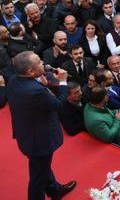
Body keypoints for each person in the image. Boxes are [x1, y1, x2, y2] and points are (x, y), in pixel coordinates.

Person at [6, 51, 77, 200]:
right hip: (39, 140)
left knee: (42, 168)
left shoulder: (14, 79)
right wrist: (63, 82)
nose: (43, 63)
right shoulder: (35, 91)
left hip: (26, 133)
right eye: (39, 62)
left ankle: (54, 190)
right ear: (30, 71)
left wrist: (41, 84)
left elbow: (35, 96)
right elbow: (59, 105)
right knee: (37, 178)